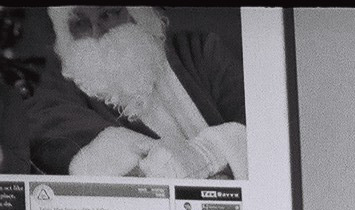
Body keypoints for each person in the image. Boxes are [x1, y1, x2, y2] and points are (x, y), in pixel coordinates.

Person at [25, 6, 247, 180]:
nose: (97, 32)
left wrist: (203, 156)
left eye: (108, 14)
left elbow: (260, 122)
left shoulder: (200, 51)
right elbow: (48, 126)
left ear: (135, 13)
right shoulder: (65, 82)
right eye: (80, 24)